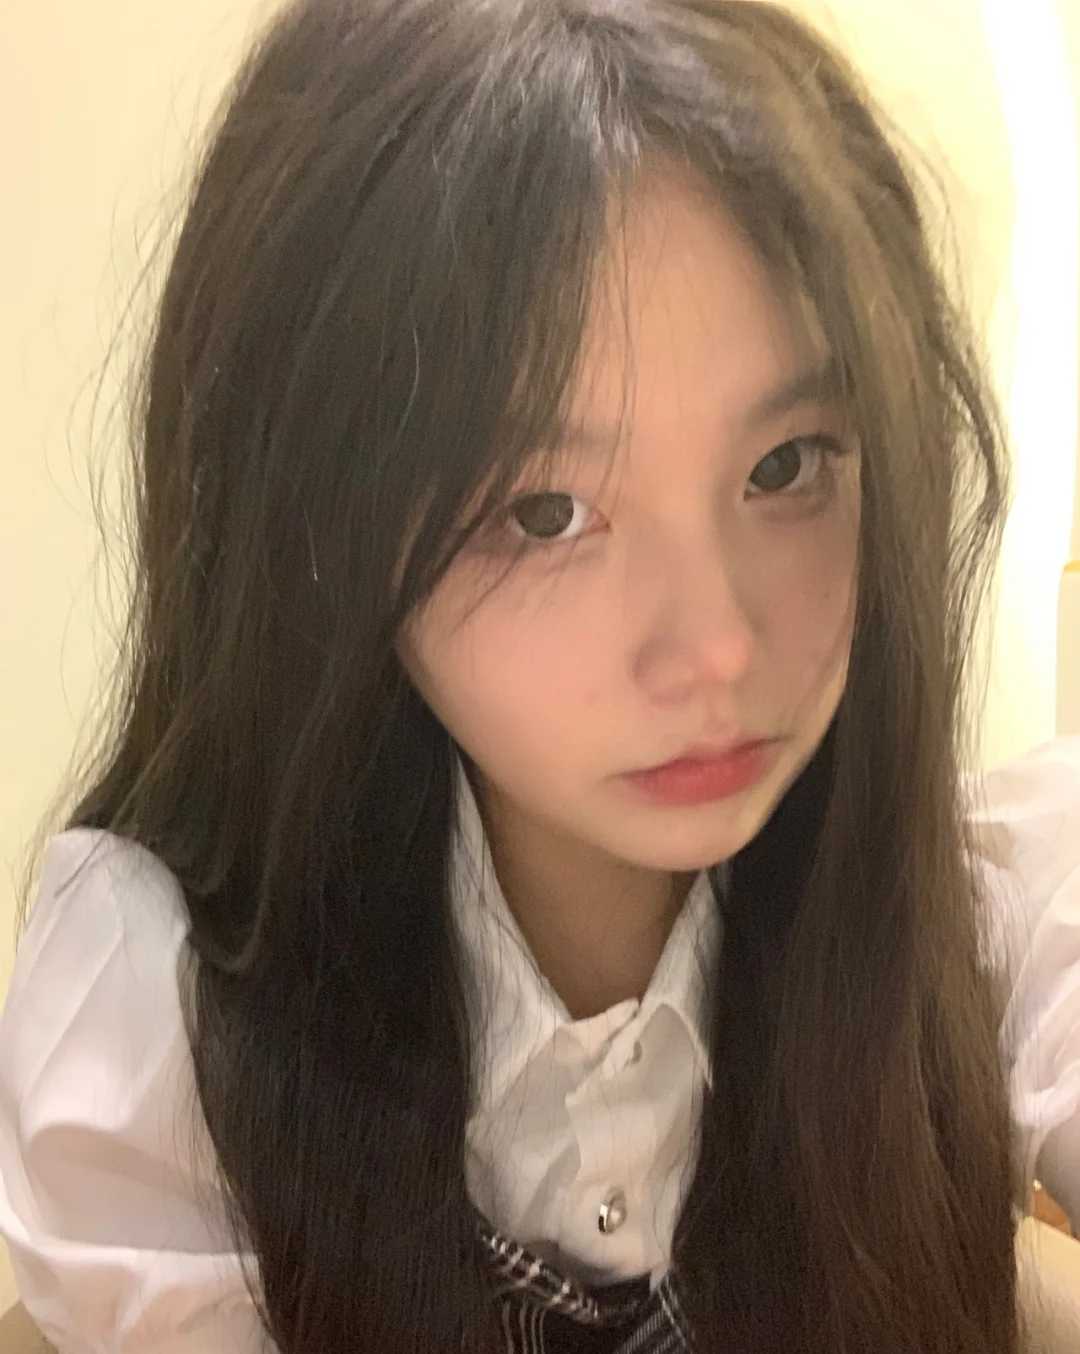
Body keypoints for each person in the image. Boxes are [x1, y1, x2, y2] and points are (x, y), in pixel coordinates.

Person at [1, 0, 1078, 1350]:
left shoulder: (993, 910)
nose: (720, 645)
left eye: (786, 464)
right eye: (546, 512)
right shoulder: (166, 1023)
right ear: (320, 533)